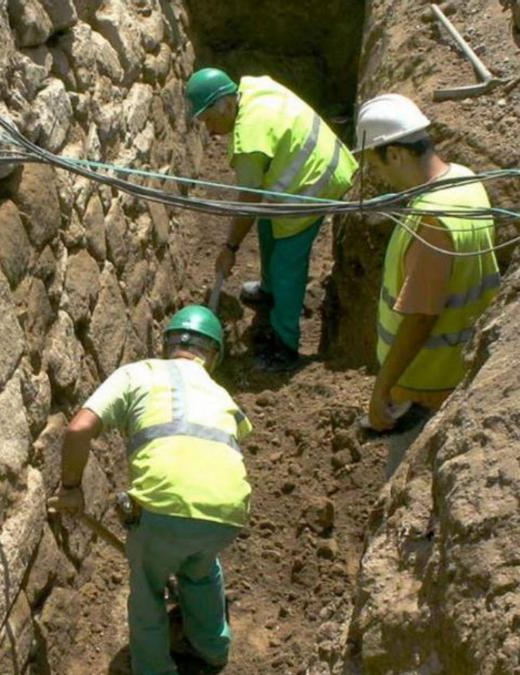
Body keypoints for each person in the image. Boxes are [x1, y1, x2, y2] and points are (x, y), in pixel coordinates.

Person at [49, 305, 252, 674]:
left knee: (147, 588)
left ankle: (155, 668)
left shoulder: (137, 374)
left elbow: (78, 429)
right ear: (214, 355)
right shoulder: (222, 395)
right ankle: (213, 647)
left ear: (167, 345)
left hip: (161, 515)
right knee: (202, 569)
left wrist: (71, 488)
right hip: (226, 515)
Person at [186, 68, 359, 371]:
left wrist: (230, 247)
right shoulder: (253, 89)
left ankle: (284, 345)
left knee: (286, 264)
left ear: (227, 105)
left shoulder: (250, 142)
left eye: (210, 119)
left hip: (314, 184)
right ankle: (268, 292)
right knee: (269, 227)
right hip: (317, 161)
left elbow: (248, 202)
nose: (209, 130)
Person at [353, 94, 500, 438]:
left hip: (425, 383)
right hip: (459, 367)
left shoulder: (432, 221)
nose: (381, 177)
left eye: (378, 166)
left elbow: (420, 317)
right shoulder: (466, 180)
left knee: (405, 474)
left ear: (395, 154)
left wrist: (382, 387)